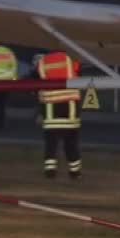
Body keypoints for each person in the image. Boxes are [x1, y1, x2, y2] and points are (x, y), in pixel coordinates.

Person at [37, 51, 82, 179]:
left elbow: (39, 80)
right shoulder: (70, 57)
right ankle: (75, 172)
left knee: (51, 143)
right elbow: (77, 71)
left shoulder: (43, 61)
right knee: (71, 144)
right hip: (70, 106)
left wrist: (40, 112)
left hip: (51, 107)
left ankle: (50, 171)